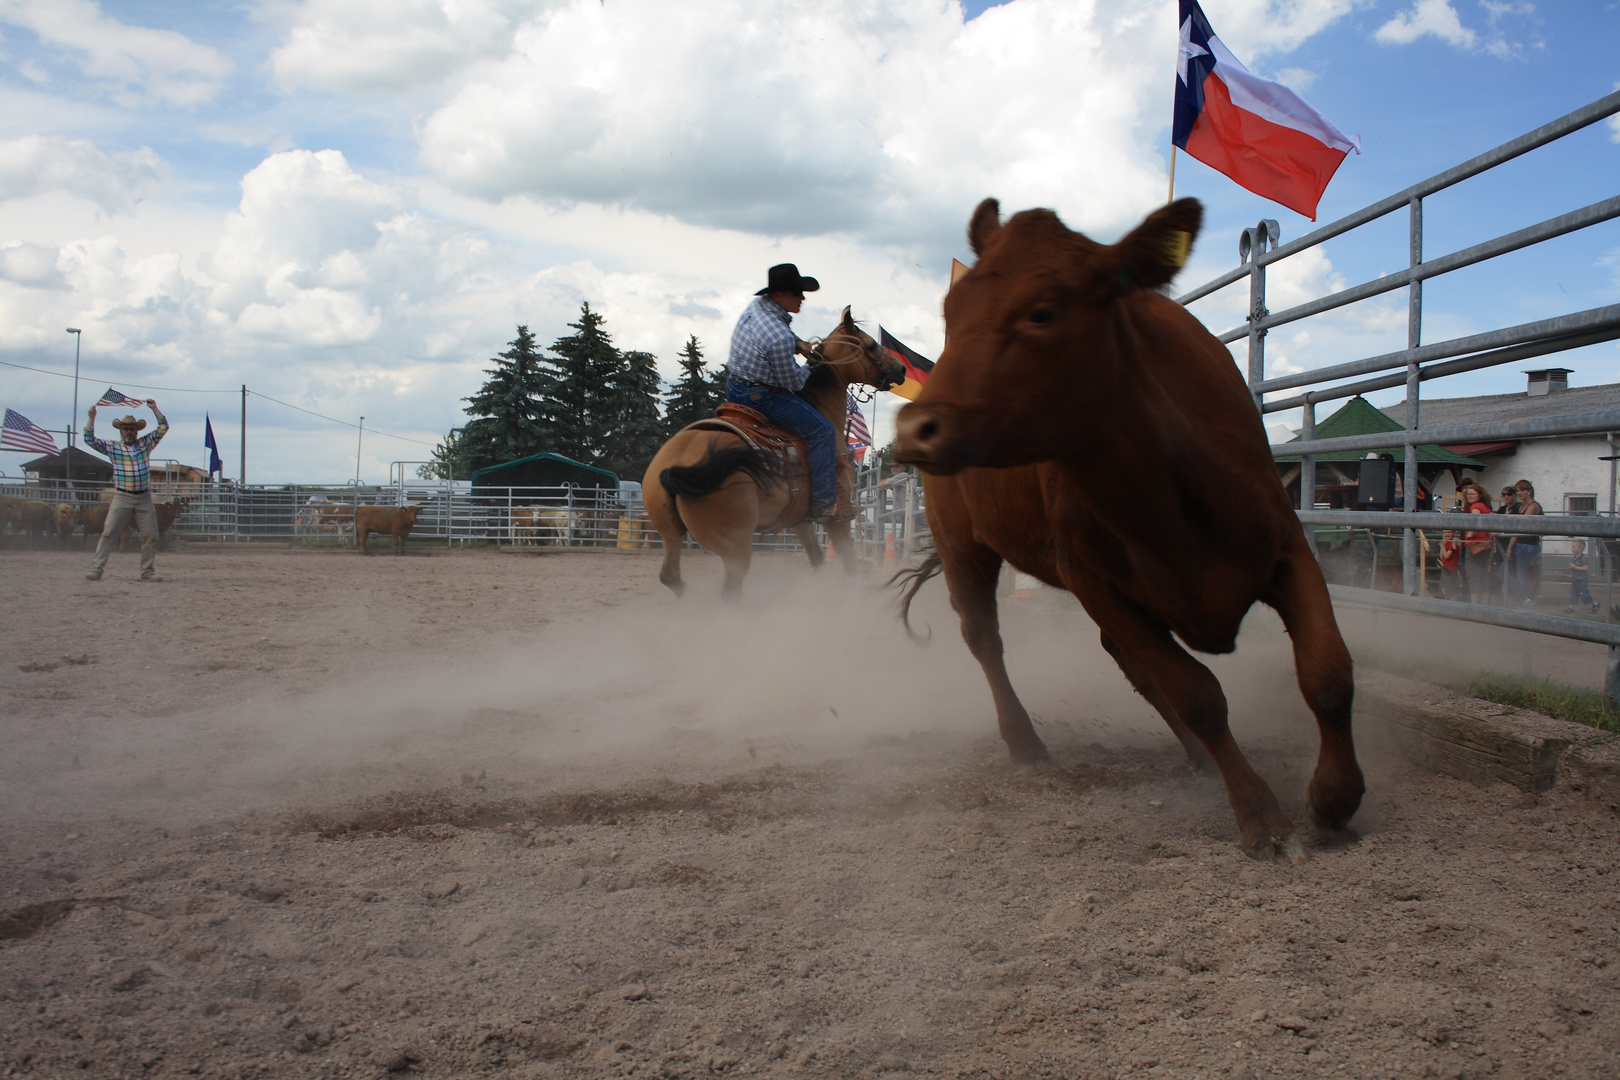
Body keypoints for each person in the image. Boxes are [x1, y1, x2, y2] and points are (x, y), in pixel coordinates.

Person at [725, 263, 837, 521]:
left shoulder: (757, 308)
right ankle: (822, 503)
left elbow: (781, 334)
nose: (802, 298)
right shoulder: (778, 337)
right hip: (763, 397)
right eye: (797, 293)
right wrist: (812, 365)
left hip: (734, 388)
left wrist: (799, 343)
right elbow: (794, 384)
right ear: (779, 296)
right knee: (823, 431)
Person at [83, 399, 169, 582]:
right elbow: (89, 439)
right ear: (121, 431)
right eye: (126, 429)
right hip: (122, 495)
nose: (129, 432)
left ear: (136, 431)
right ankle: (96, 568)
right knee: (109, 532)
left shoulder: (145, 444)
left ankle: (147, 571)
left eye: (132, 429)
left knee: (151, 534)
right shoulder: (113, 447)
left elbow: (163, 427)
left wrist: (154, 408)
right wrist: (91, 419)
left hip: (144, 496)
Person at [1504, 479, 1543, 608]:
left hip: (1527, 545)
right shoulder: (1521, 507)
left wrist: (1509, 518)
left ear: (1529, 491)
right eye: (1517, 490)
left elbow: (1523, 524)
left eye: (1521, 490)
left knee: (1522, 576)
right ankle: (1525, 598)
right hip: (1518, 544)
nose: (1519, 493)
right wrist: (1510, 547)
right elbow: (1518, 528)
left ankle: (1528, 600)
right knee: (1503, 572)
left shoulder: (1534, 506)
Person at [1461, 483, 1494, 604]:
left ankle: (1475, 606)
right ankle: (1485, 605)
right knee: (1484, 576)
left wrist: (1472, 532)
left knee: (1473, 576)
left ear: (1479, 495)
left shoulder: (1475, 507)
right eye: (1468, 494)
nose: (1469, 496)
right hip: (1486, 545)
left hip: (1474, 545)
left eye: (1472, 494)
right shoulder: (1486, 507)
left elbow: (1475, 521)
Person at [1567, 538, 1599, 613]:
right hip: (1575, 579)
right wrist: (1572, 568)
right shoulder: (1575, 558)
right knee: (1573, 593)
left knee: (1584, 593)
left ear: (1580, 549)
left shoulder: (1583, 558)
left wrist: (1575, 567)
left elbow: (1586, 568)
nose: (1572, 548)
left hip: (1582, 580)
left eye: (1573, 547)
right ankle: (1571, 607)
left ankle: (1595, 604)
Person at [1438, 529, 1465, 601]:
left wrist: (1442, 547)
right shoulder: (1446, 543)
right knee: (1446, 589)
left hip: (1451, 570)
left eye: (1449, 532)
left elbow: (1447, 556)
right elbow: (1441, 556)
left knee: (1451, 589)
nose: (1447, 534)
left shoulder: (1453, 544)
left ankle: (1451, 603)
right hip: (1445, 568)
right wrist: (1443, 546)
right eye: (1445, 532)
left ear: (1454, 533)